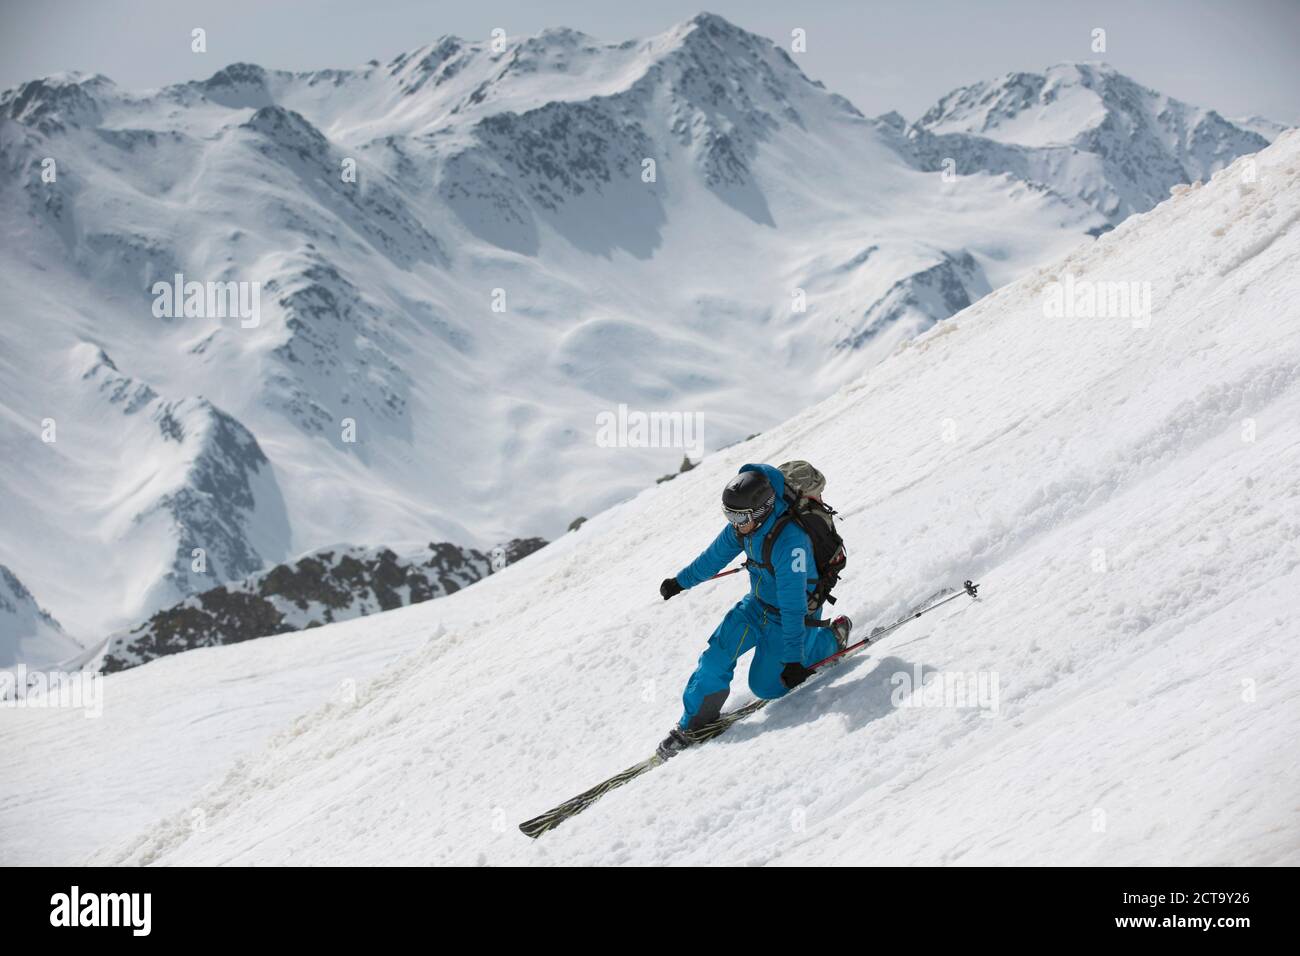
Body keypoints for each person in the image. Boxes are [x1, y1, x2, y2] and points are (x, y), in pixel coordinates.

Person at [656, 463, 847, 760]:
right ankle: (694, 723)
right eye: (728, 514)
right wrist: (679, 582)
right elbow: (712, 558)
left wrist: (794, 659)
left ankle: (831, 639)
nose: (733, 522)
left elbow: (794, 604)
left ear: (760, 510)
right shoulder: (744, 528)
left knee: (766, 686)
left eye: (738, 516)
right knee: (716, 656)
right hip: (756, 607)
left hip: (790, 617)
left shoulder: (791, 542)